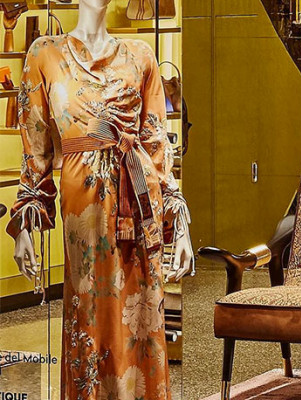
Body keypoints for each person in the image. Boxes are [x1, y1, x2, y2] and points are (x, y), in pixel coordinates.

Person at [6, 0, 193, 398]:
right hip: (83, 206)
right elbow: (36, 147)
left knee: (140, 320)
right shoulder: (44, 53)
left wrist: (178, 223)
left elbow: (156, 143)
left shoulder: (140, 55)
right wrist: (26, 221)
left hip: (137, 203)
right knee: (89, 313)